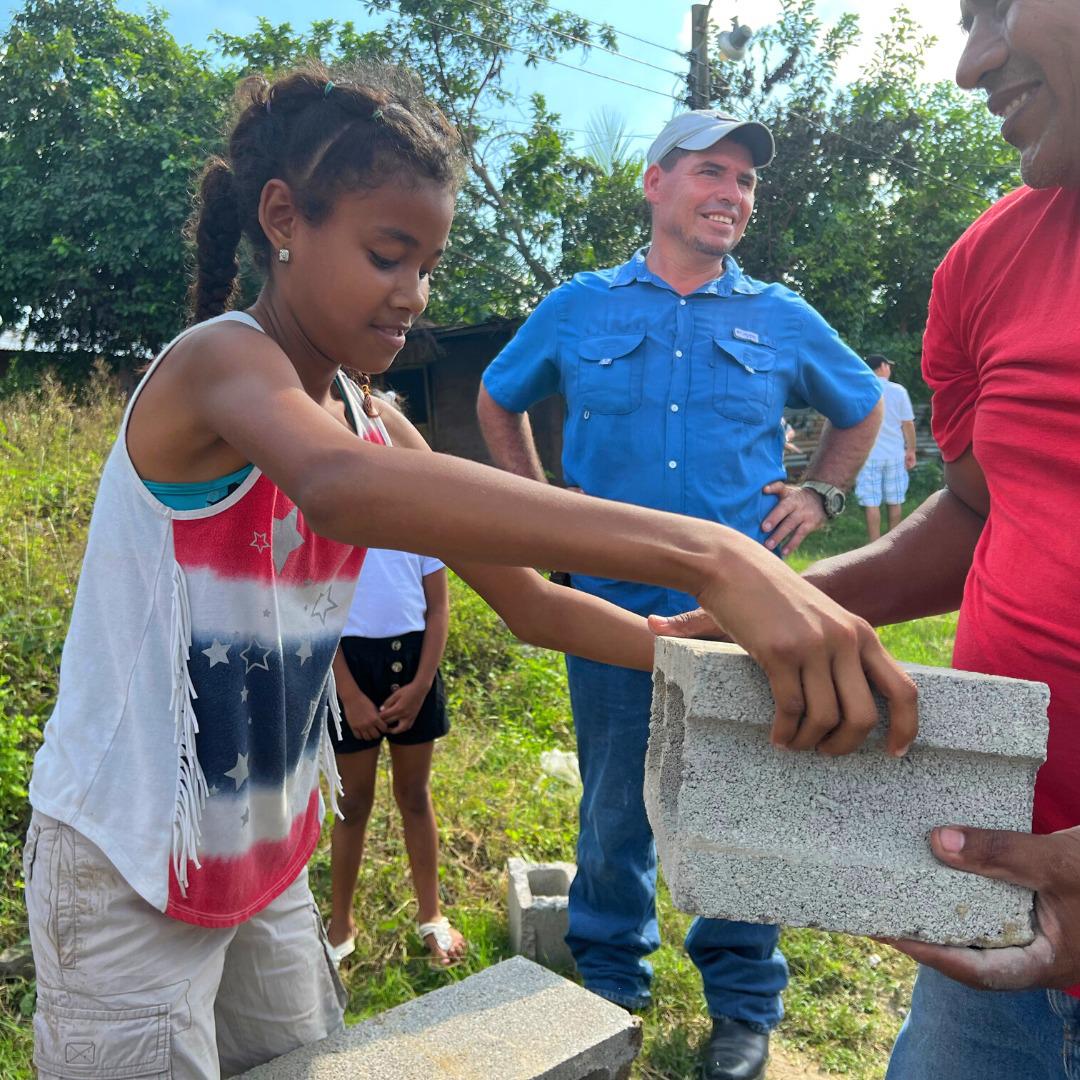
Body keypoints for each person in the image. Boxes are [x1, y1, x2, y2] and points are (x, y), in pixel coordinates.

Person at [22, 64, 917, 1078]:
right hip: (127, 863)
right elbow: (334, 488)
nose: (414, 295)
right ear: (283, 218)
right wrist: (712, 554)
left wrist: (693, 651)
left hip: (263, 860)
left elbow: (531, 604)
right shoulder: (217, 363)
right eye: (387, 255)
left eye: (429, 266)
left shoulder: (370, 418)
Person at [653, 1, 1080, 1075]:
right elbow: (979, 509)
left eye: (1001, 4)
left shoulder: (778, 313)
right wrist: (782, 601)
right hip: (997, 899)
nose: (972, 63)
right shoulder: (988, 259)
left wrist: (819, 501)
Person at [477, 109, 885, 1079]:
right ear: (655, 182)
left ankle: (742, 1005)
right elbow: (498, 396)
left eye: (746, 181)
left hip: (742, 617)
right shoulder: (579, 307)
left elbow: (861, 406)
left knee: (739, 802)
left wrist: (821, 494)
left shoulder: (780, 317)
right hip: (607, 608)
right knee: (615, 805)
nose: (732, 194)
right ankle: (609, 985)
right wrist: (539, 514)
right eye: (712, 171)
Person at [325, 545, 463, 967]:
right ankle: (340, 922)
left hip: (415, 664)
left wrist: (421, 687)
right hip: (347, 667)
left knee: (415, 795)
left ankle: (431, 914)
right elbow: (317, 614)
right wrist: (349, 695)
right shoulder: (332, 524)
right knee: (352, 803)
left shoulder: (417, 524)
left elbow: (438, 609)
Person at [853, 355, 916, 542]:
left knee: (871, 502)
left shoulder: (860, 390)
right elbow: (907, 423)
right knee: (894, 500)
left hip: (868, 455)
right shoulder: (898, 391)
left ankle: (874, 545)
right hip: (895, 454)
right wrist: (911, 450)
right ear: (882, 366)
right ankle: (892, 544)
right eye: (889, 365)